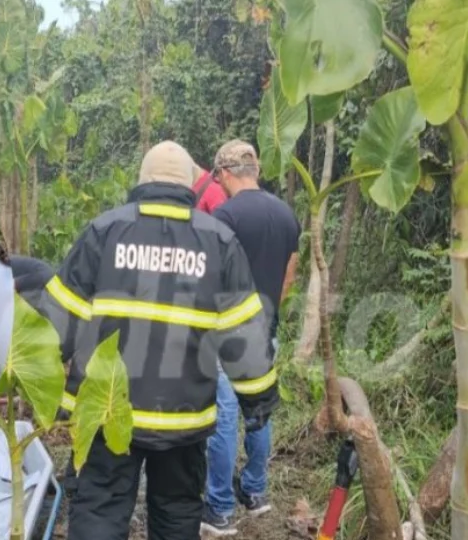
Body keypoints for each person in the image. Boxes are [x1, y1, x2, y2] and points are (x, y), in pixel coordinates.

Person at [40, 140, 279, 540]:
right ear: (190, 185)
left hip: (106, 413)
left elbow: (54, 327)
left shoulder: (105, 231)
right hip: (184, 422)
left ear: (141, 181)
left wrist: (50, 397)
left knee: (99, 511)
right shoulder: (219, 242)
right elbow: (245, 340)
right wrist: (258, 404)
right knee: (176, 518)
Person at [201, 140, 300, 536]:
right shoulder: (286, 215)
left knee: (223, 416)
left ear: (225, 173)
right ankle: (256, 493)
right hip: (265, 329)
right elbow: (288, 276)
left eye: (219, 178)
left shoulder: (224, 216)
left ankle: (220, 508)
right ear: (255, 170)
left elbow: (212, 278)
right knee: (259, 412)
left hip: (228, 333)